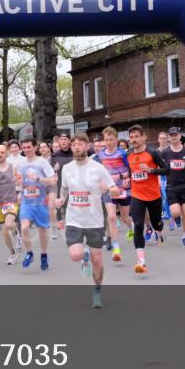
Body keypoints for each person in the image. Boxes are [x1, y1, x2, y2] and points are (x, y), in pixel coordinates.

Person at [55, 133, 118, 309]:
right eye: (74, 144)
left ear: (87, 146)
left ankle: (97, 290)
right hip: (74, 219)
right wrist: (60, 200)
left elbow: (115, 191)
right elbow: (64, 190)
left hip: (95, 221)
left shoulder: (98, 168)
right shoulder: (67, 168)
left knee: (97, 260)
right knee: (75, 255)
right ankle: (84, 256)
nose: (76, 147)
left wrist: (109, 190)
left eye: (80, 144)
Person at [127, 125, 169, 274]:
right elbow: (130, 170)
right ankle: (141, 260)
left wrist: (151, 170)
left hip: (153, 195)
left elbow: (167, 169)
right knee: (138, 224)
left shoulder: (153, 152)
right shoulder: (129, 153)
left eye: (136, 136)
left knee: (156, 222)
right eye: (131, 137)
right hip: (137, 195)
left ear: (144, 136)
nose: (133, 140)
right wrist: (127, 179)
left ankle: (159, 230)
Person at [16, 137, 57, 270]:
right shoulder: (21, 165)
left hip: (41, 202)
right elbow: (18, 182)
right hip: (26, 201)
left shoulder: (42, 162)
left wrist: (38, 178)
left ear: (35, 147)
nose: (27, 150)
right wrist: (18, 190)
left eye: (29, 147)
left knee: (41, 231)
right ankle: (29, 253)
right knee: (24, 227)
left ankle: (44, 254)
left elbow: (53, 180)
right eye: (24, 147)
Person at [96, 126, 130, 262]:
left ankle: (131, 227)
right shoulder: (100, 155)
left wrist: (121, 177)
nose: (108, 142)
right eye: (106, 140)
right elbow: (97, 173)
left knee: (125, 217)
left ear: (116, 139)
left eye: (111, 139)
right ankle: (116, 248)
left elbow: (130, 171)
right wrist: (100, 183)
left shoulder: (122, 154)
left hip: (123, 189)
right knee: (111, 217)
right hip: (108, 190)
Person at [163, 128, 185, 248]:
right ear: (169, 137)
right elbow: (160, 167)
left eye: (175, 135)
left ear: (179, 136)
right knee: (175, 211)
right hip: (171, 186)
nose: (173, 137)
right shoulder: (165, 152)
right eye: (171, 135)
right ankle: (175, 218)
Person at [0, 143, 21, 264]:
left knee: (8, 224)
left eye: (2, 152)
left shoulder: (13, 167)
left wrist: (19, 194)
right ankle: (12, 253)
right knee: (4, 232)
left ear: (6, 153)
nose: (0, 155)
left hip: (12, 201)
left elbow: (19, 182)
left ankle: (16, 233)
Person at [51, 133, 74, 233]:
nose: (63, 141)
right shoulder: (55, 155)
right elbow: (52, 172)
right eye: (61, 139)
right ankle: (60, 220)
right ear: (59, 141)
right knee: (61, 202)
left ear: (69, 141)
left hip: (73, 182)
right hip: (60, 182)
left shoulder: (74, 153)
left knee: (71, 204)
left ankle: (71, 223)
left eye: (65, 139)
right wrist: (54, 169)